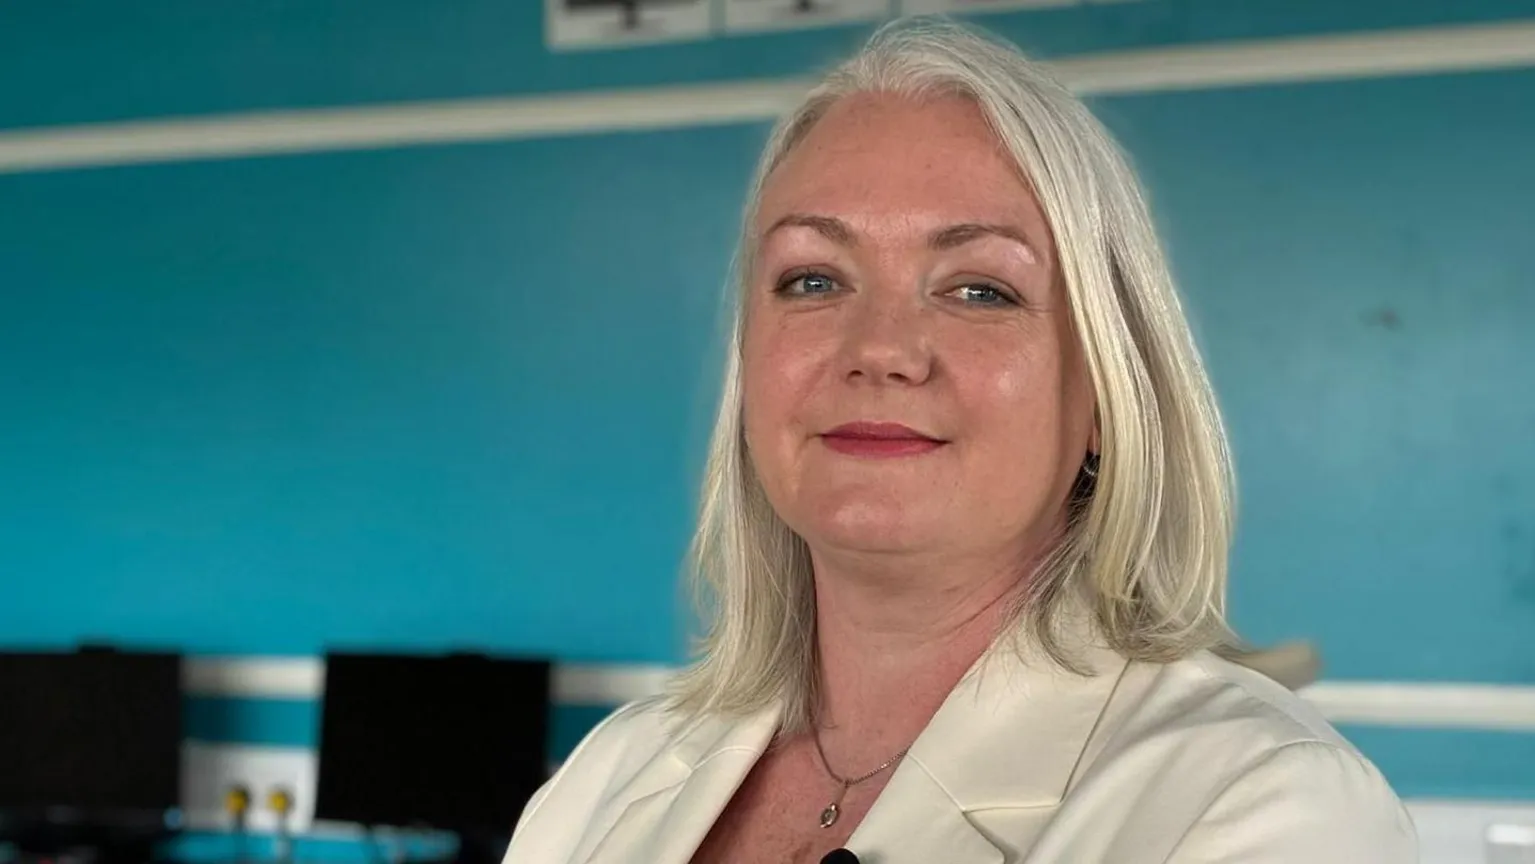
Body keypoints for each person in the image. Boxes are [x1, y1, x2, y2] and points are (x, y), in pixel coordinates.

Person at [503, 18, 1417, 864]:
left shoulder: (1267, 805)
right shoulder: (608, 779)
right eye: (813, 280)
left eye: (980, 290)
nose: (879, 352)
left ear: (1104, 390)